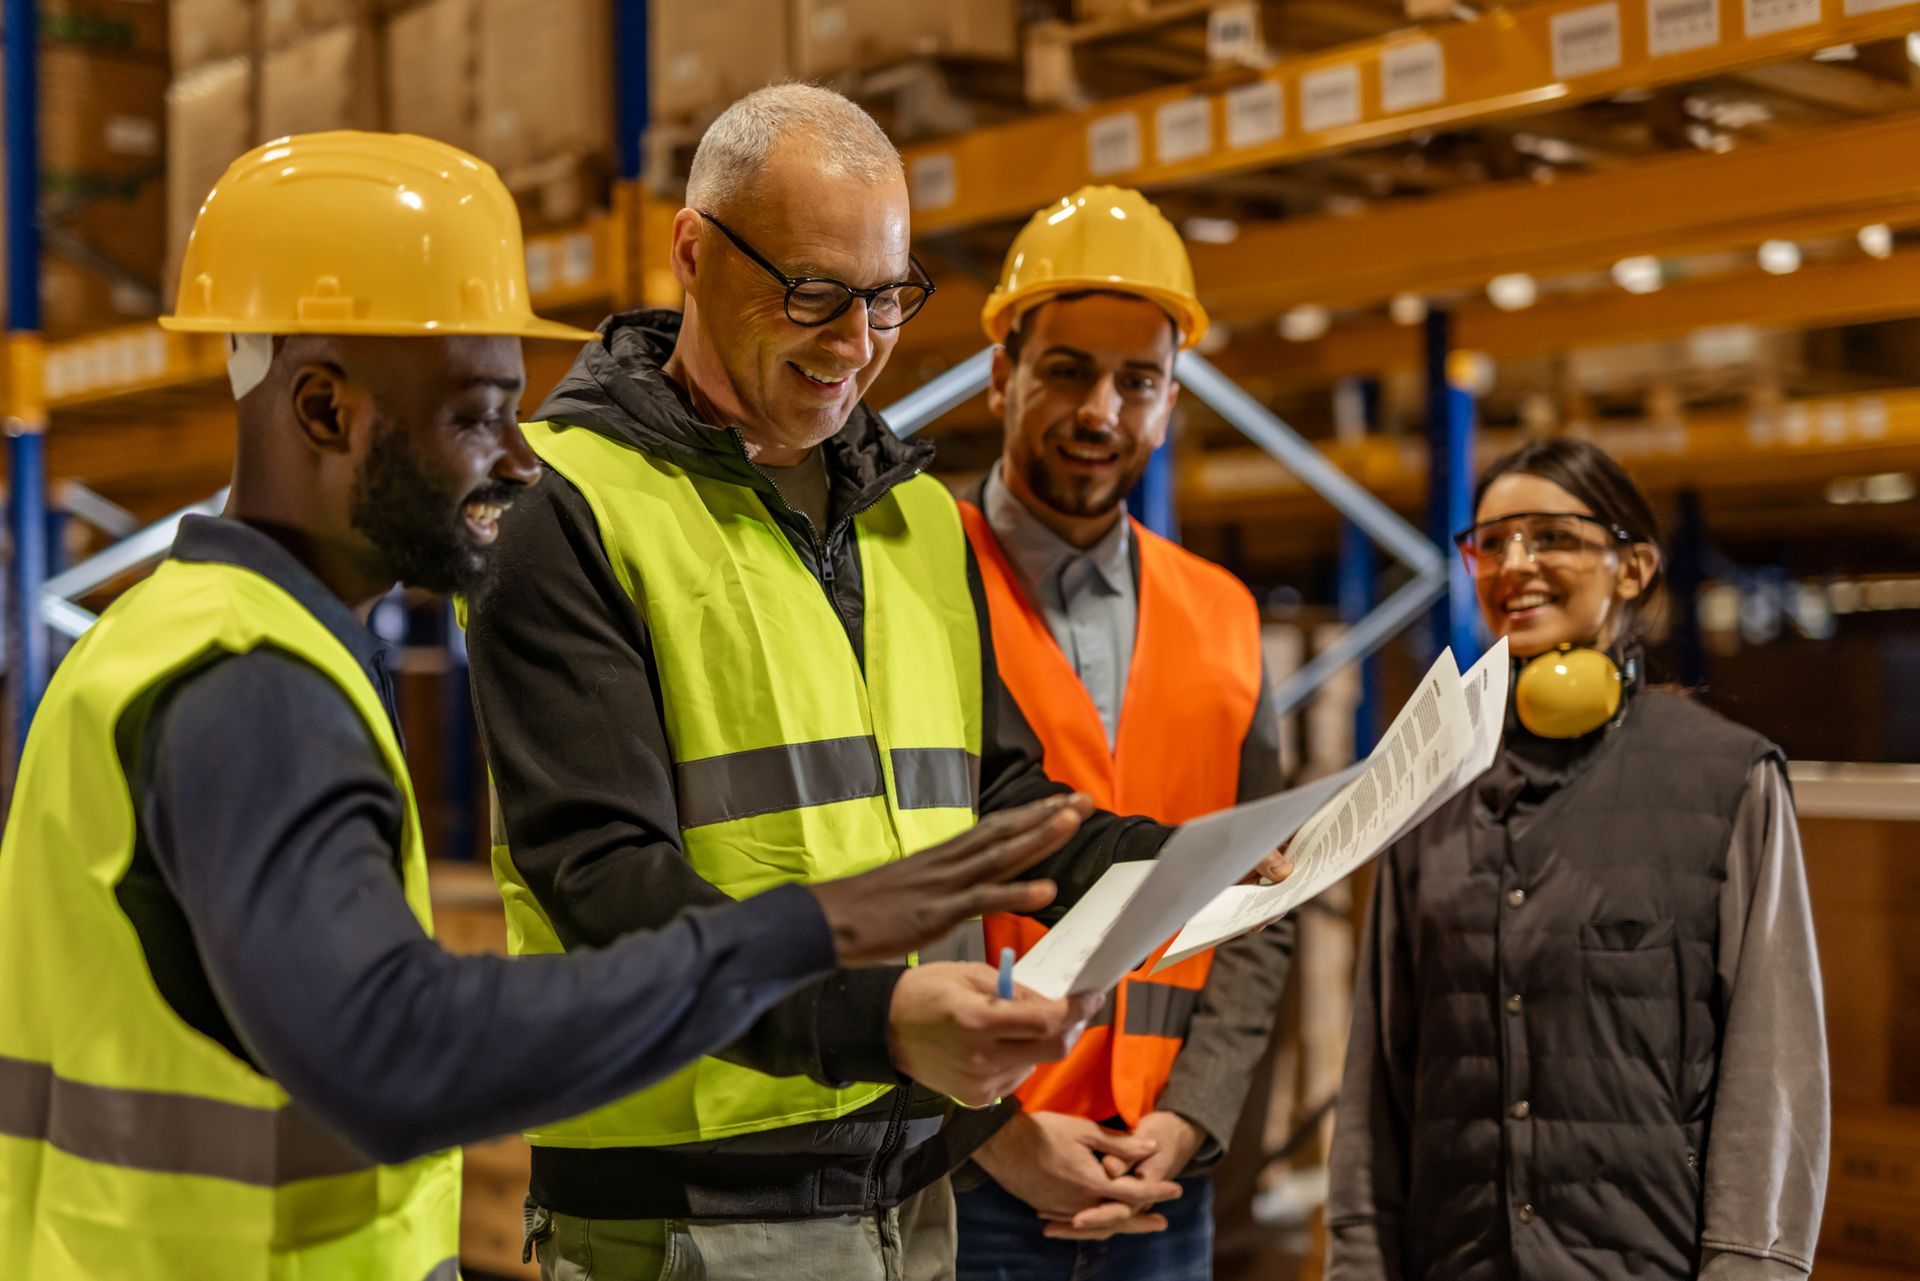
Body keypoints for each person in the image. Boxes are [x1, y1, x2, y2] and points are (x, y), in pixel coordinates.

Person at [0, 131, 1100, 1281]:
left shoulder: (175, 638)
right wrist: (814, 941)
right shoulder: (246, 688)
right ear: (324, 410)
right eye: (477, 413)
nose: (521, 461)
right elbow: (397, 1048)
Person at [464, 86, 1286, 1279]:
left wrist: (1177, 866)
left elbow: (994, 796)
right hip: (692, 1213)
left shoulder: (911, 519)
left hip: (907, 1199)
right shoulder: (563, 507)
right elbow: (604, 880)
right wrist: (882, 1026)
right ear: (692, 252)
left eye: (887, 299)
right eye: (813, 294)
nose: (855, 345)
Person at [1325, 437, 1829, 1280]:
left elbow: (1772, 1065)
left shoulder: (1728, 777)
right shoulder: (1426, 787)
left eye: (1550, 536)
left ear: (1632, 568)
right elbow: (1378, 1072)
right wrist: (1356, 1261)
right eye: (1491, 542)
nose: (1514, 563)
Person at [948, 187, 1294, 1281]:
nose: (1101, 410)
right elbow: (869, 881)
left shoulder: (1226, 616)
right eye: (1066, 371)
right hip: (966, 1174)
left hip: (1159, 1185)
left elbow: (1259, 909)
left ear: (1170, 401)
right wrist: (992, 1134)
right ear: (1002, 374)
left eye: (1137, 382)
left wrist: (1191, 1120)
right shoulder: (908, 584)